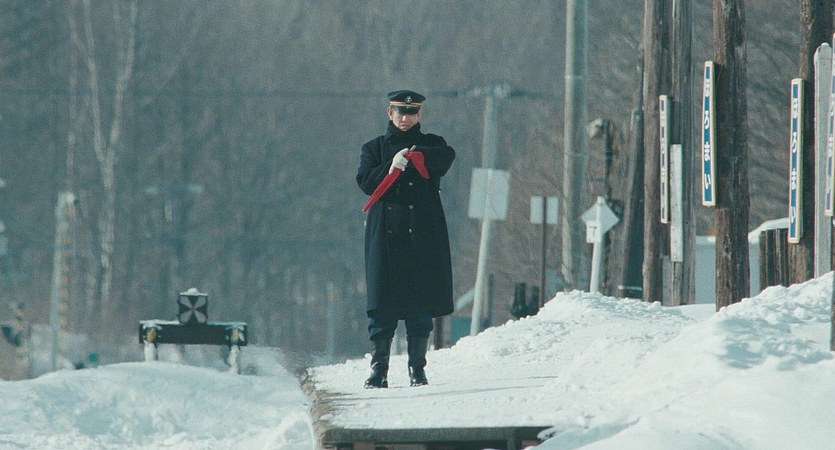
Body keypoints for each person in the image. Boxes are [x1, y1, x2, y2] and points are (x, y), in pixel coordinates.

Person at [356, 90, 456, 388]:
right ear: (390, 113)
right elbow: (365, 181)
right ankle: (379, 369)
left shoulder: (432, 144)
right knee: (382, 306)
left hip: (421, 234)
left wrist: (416, 156)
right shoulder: (374, 148)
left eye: (411, 113)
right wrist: (391, 166)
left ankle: (417, 368)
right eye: (400, 112)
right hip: (386, 236)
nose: (405, 118)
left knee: (419, 305)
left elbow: (445, 158)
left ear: (419, 115)